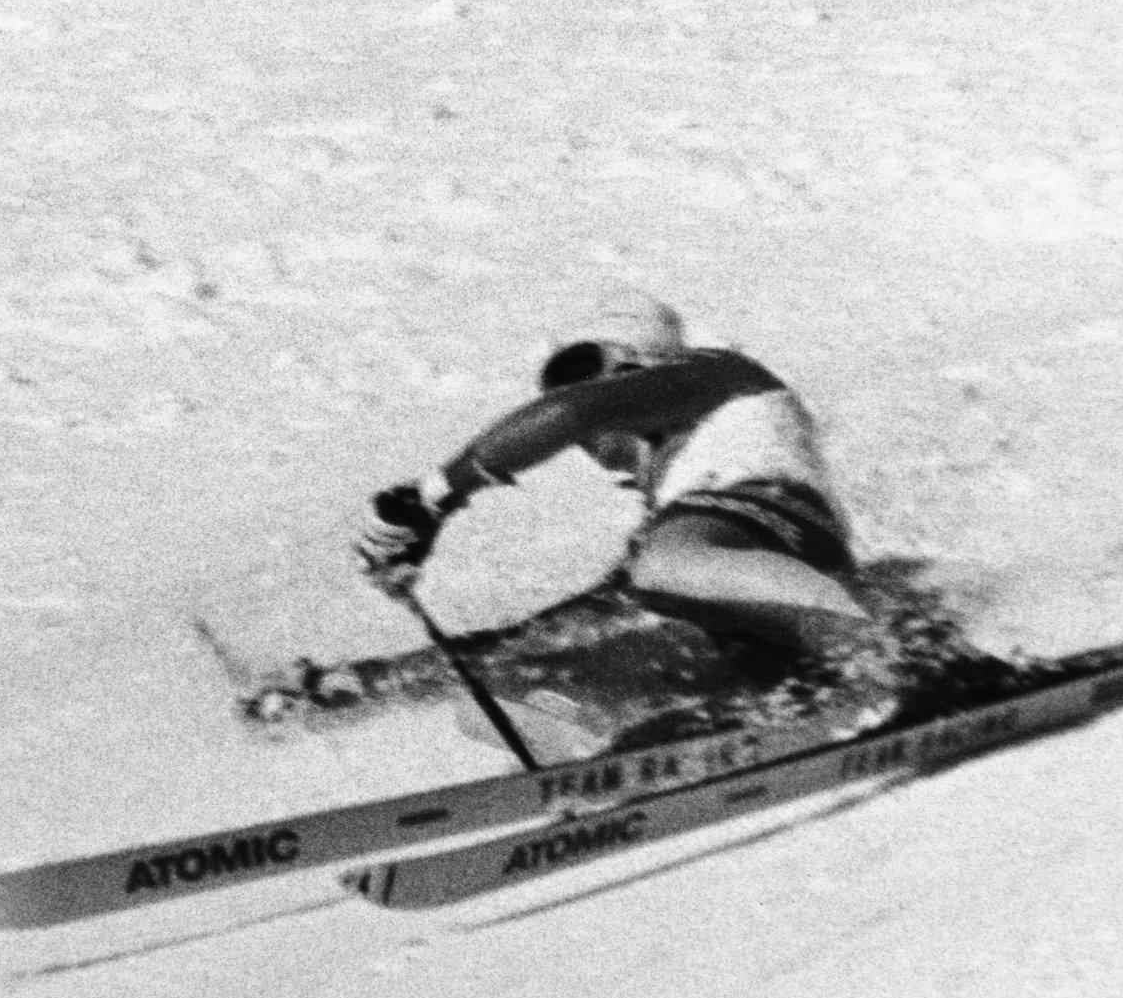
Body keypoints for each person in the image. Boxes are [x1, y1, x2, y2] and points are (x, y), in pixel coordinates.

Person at [355, 289, 904, 711]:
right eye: (555, 386)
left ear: (639, 365)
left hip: (781, 527)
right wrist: (388, 677)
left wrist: (432, 499)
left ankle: (899, 655)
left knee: (666, 566)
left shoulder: (715, 375)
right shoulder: (674, 514)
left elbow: (577, 413)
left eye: (580, 375)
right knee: (565, 669)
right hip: (764, 613)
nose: (566, 400)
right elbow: (583, 620)